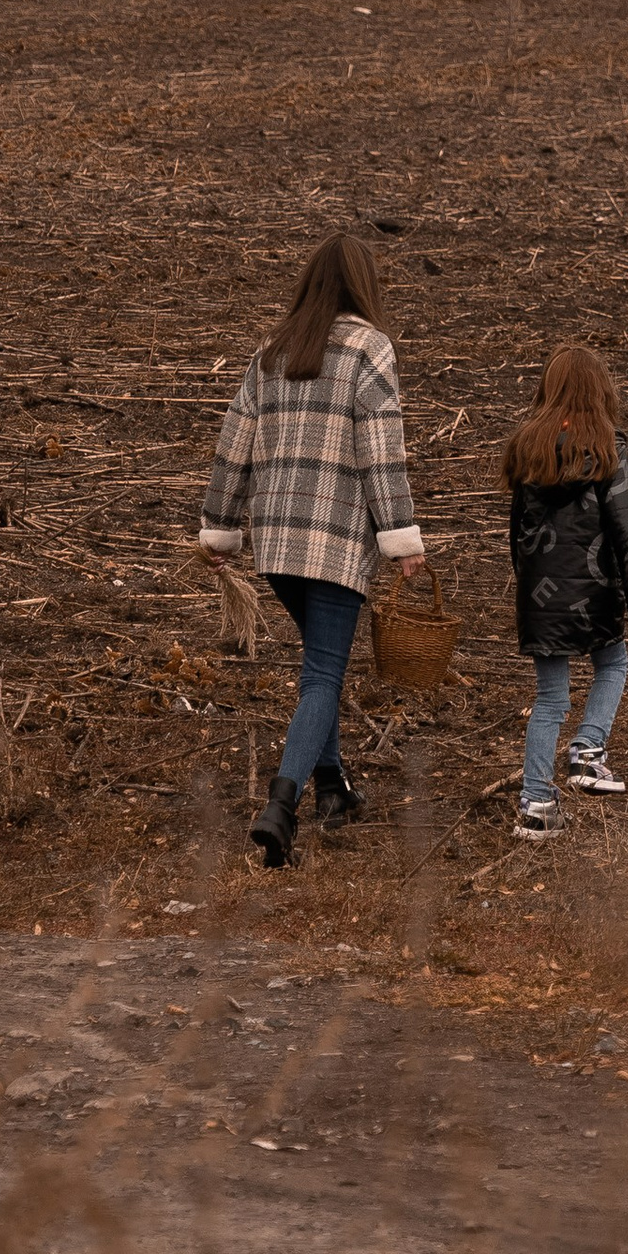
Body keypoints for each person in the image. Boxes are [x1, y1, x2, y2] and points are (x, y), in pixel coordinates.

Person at [199, 231, 423, 866]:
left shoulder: (274, 351)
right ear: (364, 284)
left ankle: (332, 789)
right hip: (334, 541)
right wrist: (401, 537)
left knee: (320, 665)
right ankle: (281, 807)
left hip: (274, 542)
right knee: (323, 673)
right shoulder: (370, 349)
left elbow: (233, 444)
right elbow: (382, 453)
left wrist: (220, 527)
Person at [503, 342, 628, 844]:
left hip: (541, 597)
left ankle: (536, 804)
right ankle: (589, 751)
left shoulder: (528, 447)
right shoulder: (608, 448)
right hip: (595, 594)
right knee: (612, 663)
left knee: (550, 698)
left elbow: (517, 535)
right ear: (600, 391)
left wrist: (529, 593)